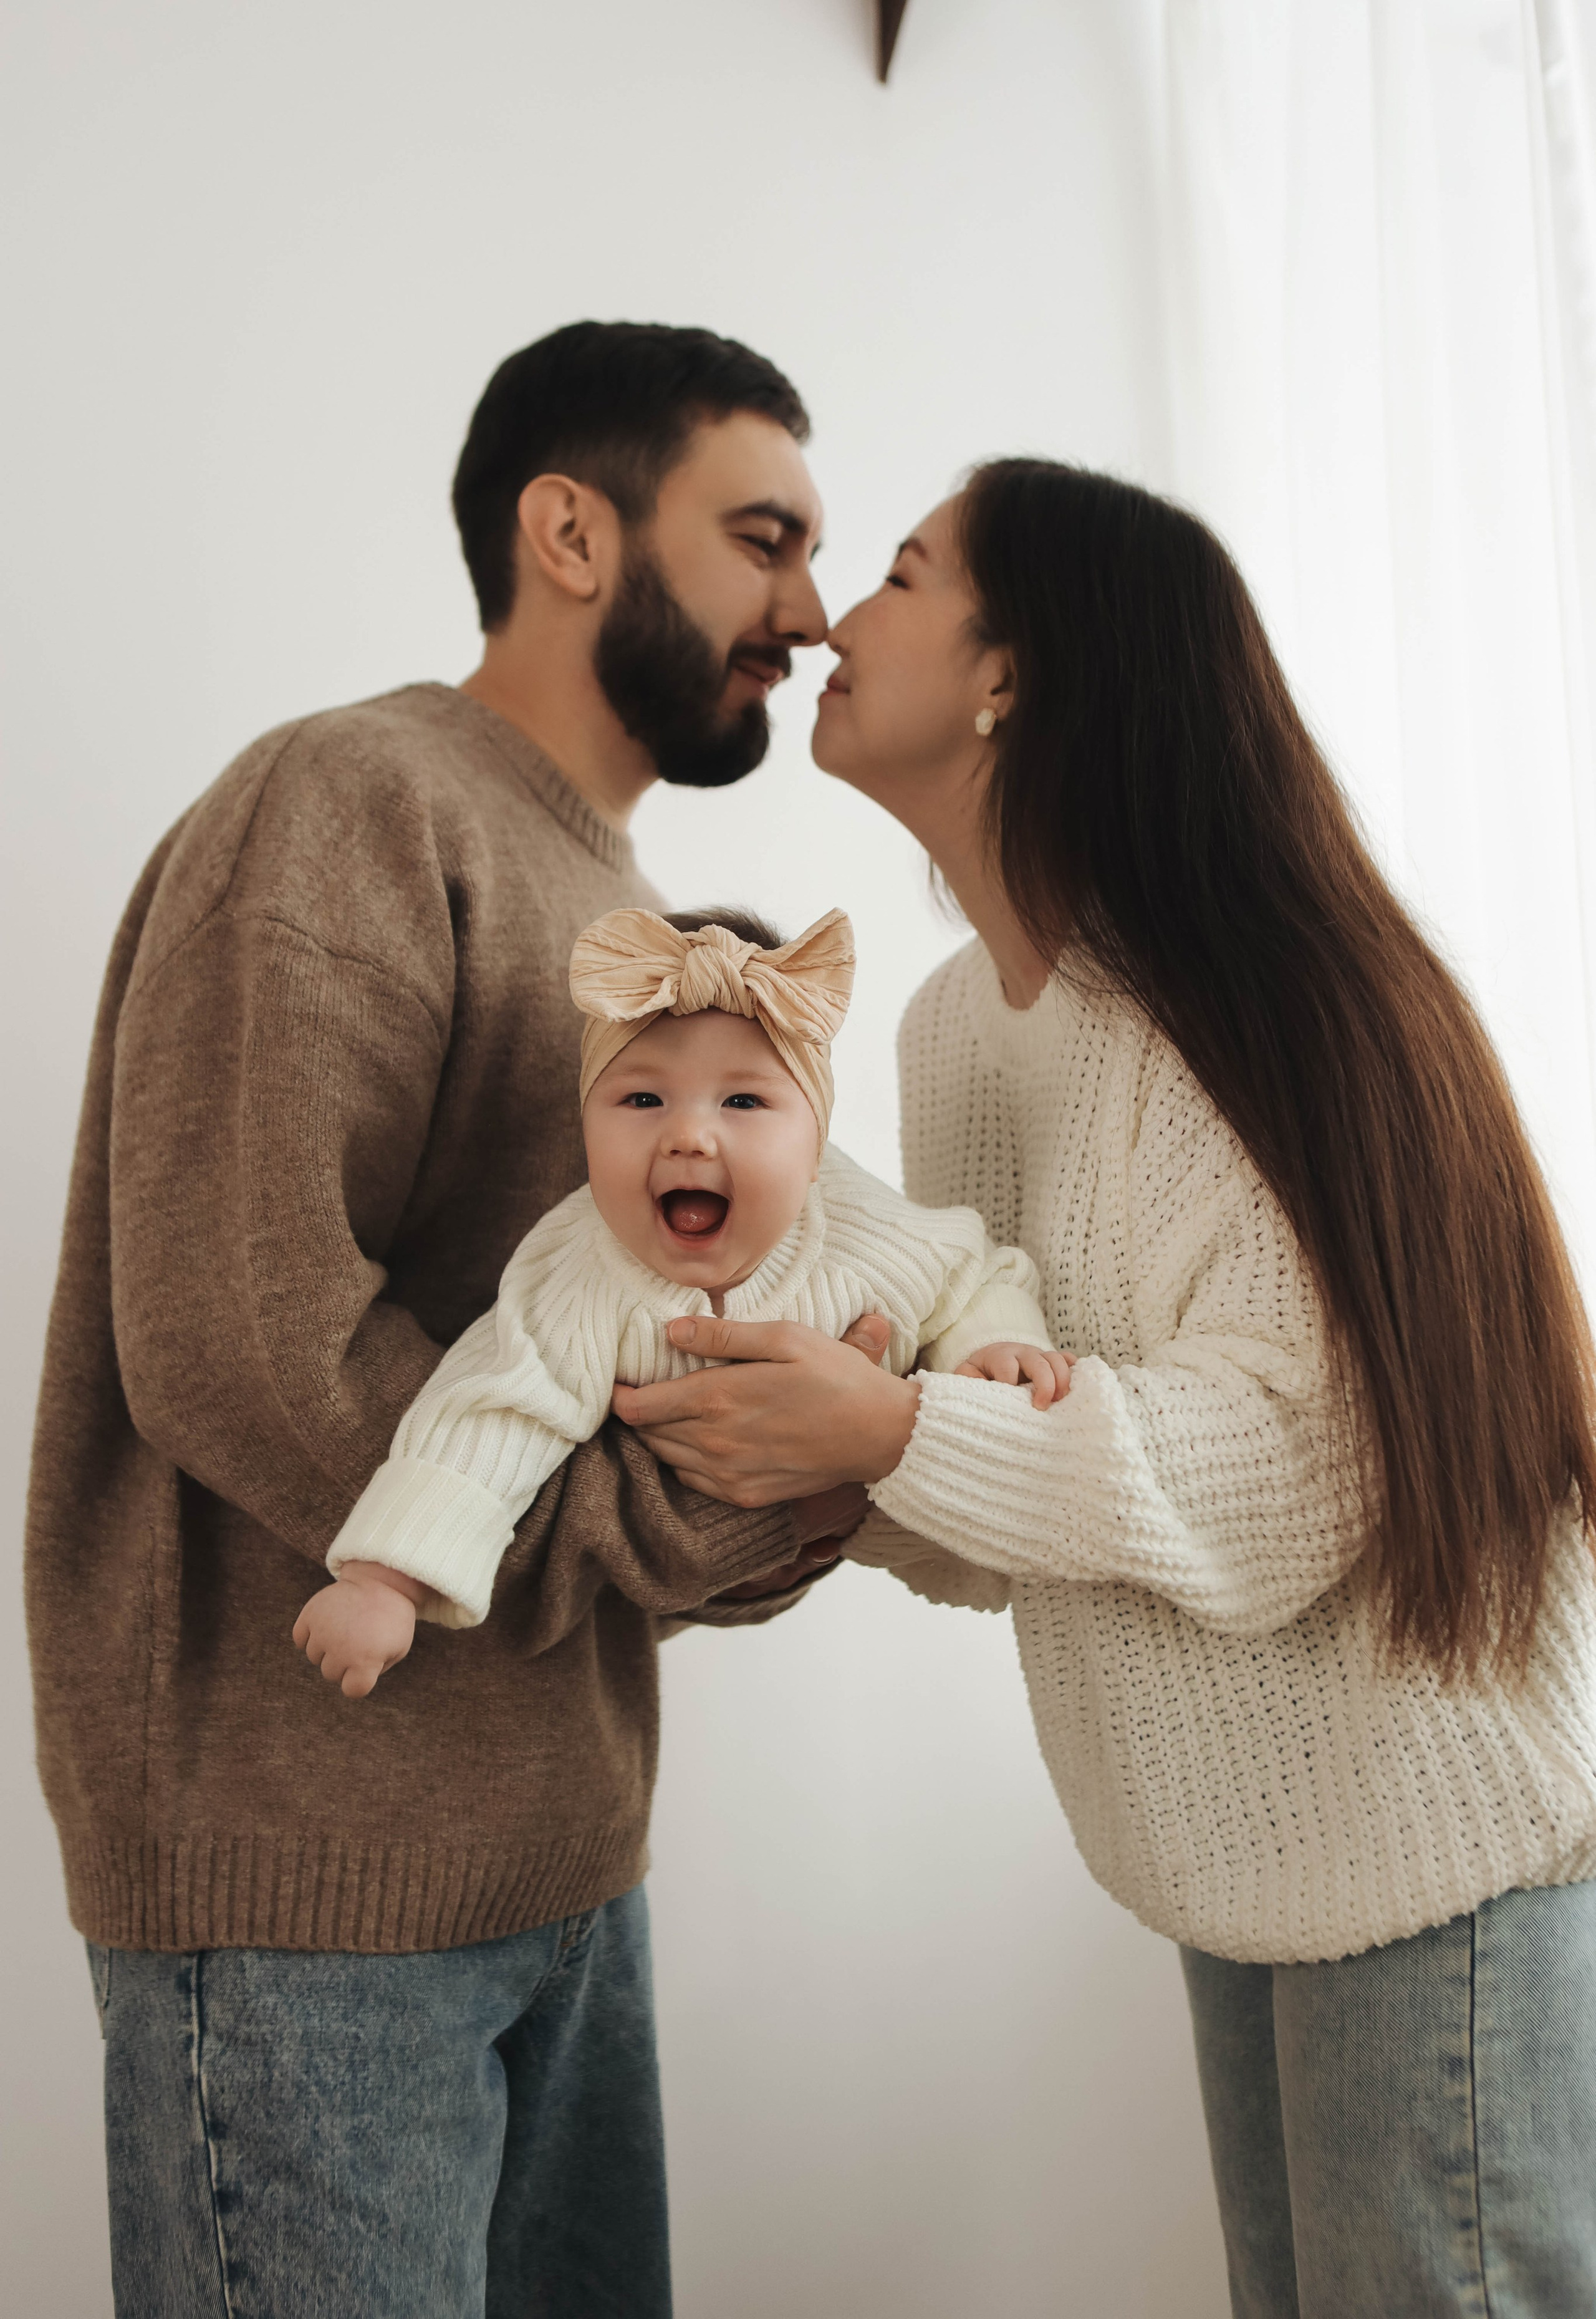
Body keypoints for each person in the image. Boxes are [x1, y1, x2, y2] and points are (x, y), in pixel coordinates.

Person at [614, 461, 1596, 2318]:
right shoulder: (953, 1032)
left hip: (1426, 1832)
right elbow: (1058, 1495)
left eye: (901, 572)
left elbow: (1302, 1465)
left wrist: (897, 1429)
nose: (834, 611)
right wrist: (841, 1459)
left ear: (1015, 674)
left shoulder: (1253, 996)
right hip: (1236, 1847)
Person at [26, 319, 857, 2319]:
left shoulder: (624, 903)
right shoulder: (353, 801)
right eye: (762, 537)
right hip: (315, 1897)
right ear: (569, 530)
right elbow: (243, 1334)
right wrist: (664, 1533)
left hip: (559, 1867)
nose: (811, 611)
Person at [292, 902, 1067, 1696]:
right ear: (585, 1127)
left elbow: (969, 1274)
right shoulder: (578, 1272)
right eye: (642, 1101)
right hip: (766, 1545)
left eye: (742, 1103)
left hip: (925, 1496)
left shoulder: (863, 1232)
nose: (689, 1136)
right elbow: (490, 1411)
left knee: (1011, 1530)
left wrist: (991, 1345)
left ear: (814, 1147)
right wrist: (386, 1580)